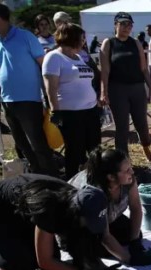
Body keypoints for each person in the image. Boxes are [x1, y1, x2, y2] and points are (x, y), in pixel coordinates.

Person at [0, 174, 136, 270]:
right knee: (24, 264)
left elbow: (102, 236)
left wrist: (128, 259)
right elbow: (45, 262)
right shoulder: (50, 208)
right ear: (75, 214)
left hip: (25, 209)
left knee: (68, 250)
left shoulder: (87, 201)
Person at [0, 1, 58, 176]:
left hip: (29, 100)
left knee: (38, 142)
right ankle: (38, 174)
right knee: (21, 143)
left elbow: (44, 65)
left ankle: (51, 177)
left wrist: (49, 96)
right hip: (7, 101)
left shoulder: (26, 37)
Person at [43, 23, 101, 178]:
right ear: (72, 38)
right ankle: (72, 180)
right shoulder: (54, 57)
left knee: (95, 148)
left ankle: (94, 178)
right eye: (82, 38)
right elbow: (51, 87)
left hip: (90, 110)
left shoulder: (78, 57)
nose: (84, 42)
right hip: (71, 113)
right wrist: (55, 110)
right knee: (75, 150)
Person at [100, 12, 151, 164]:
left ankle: (146, 147)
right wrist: (103, 92)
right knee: (122, 127)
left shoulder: (136, 43)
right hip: (117, 89)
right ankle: (123, 160)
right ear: (115, 25)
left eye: (129, 24)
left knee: (141, 123)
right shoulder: (109, 43)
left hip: (137, 88)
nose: (126, 27)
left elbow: (144, 68)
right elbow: (104, 70)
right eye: (123, 24)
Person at [69, 147, 144, 258]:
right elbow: (105, 237)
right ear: (111, 177)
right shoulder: (95, 194)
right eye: (127, 170)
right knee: (98, 249)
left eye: (130, 168)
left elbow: (136, 207)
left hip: (105, 219)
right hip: (79, 227)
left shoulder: (129, 180)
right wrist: (128, 259)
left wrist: (135, 241)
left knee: (134, 234)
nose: (132, 172)